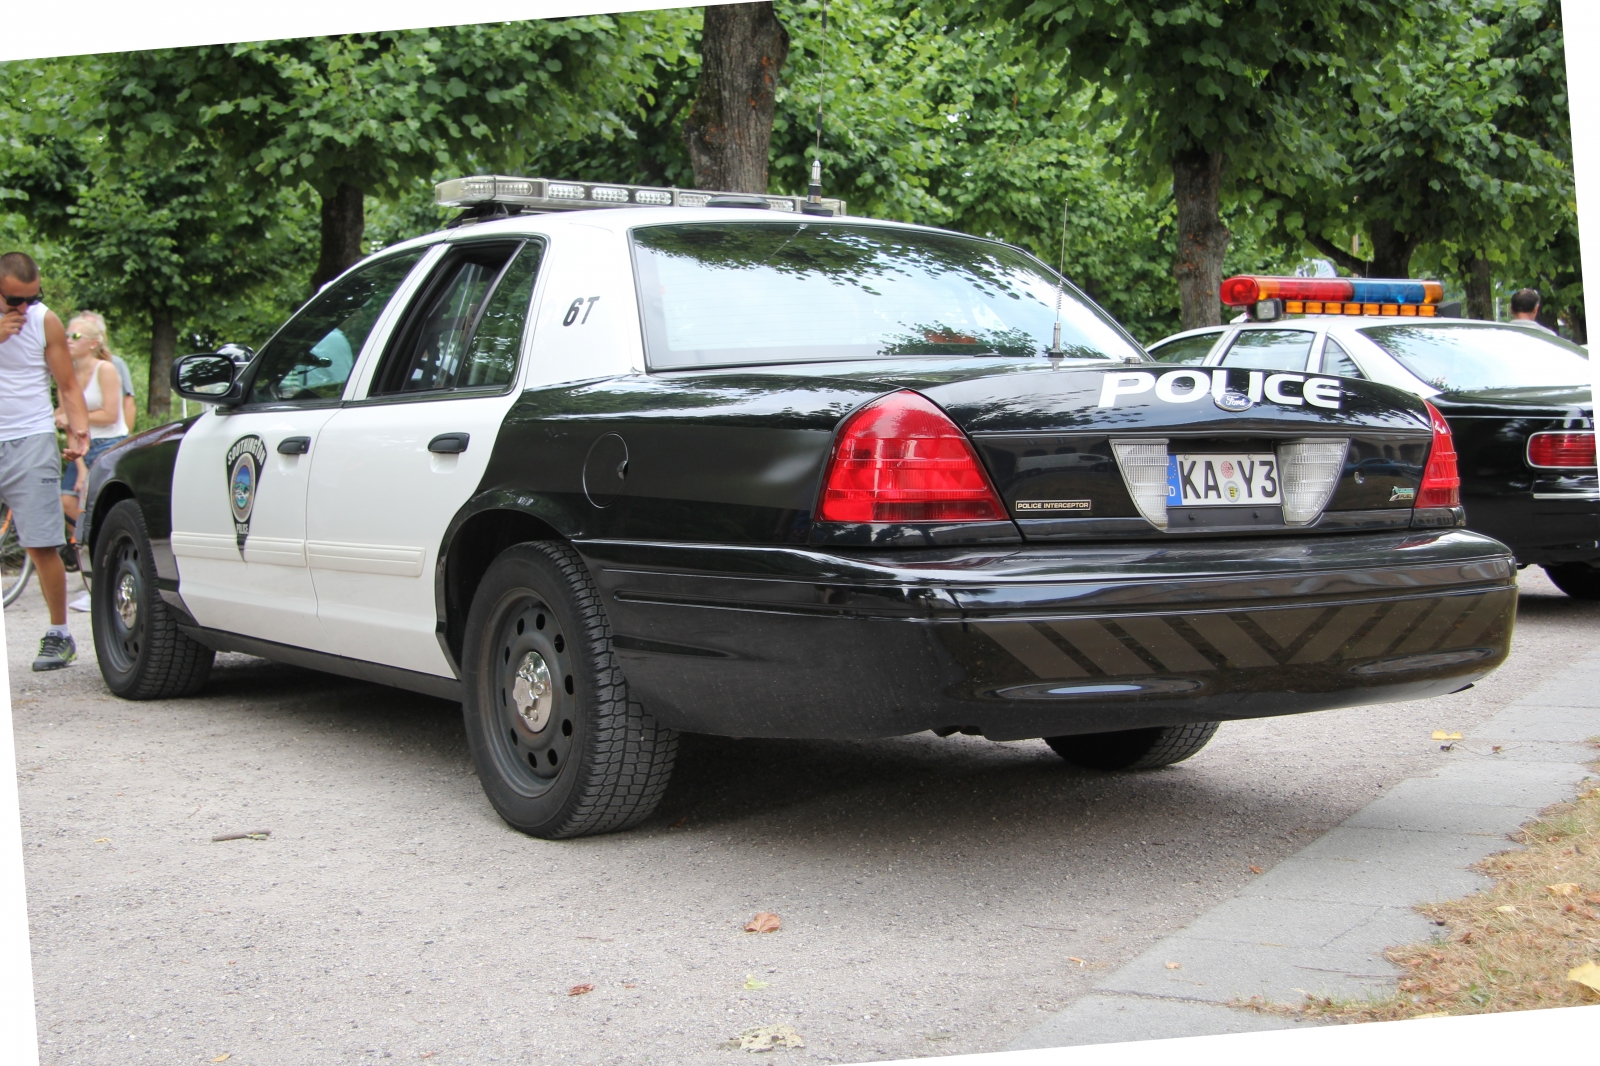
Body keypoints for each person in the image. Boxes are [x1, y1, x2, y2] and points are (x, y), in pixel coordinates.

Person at [0, 251, 89, 670]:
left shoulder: (44, 320)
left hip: (30, 437)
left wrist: (79, 431)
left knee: (41, 541)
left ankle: (59, 634)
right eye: (15, 301)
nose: (25, 308)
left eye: (32, 298)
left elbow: (68, 385)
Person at [56, 314, 128, 612]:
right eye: (66, 336)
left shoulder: (106, 369)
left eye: (74, 336)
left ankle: (99, 579)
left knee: (92, 508)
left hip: (108, 443)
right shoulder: (65, 373)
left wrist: (73, 416)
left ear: (93, 343)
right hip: (80, 446)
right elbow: (64, 418)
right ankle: (92, 568)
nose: (68, 341)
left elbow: (110, 415)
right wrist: (81, 465)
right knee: (67, 501)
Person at [72, 311, 136, 431]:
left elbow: (128, 402)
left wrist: (127, 439)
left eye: (77, 335)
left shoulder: (114, 364)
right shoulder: (70, 369)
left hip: (108, 439)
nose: (70, 340)